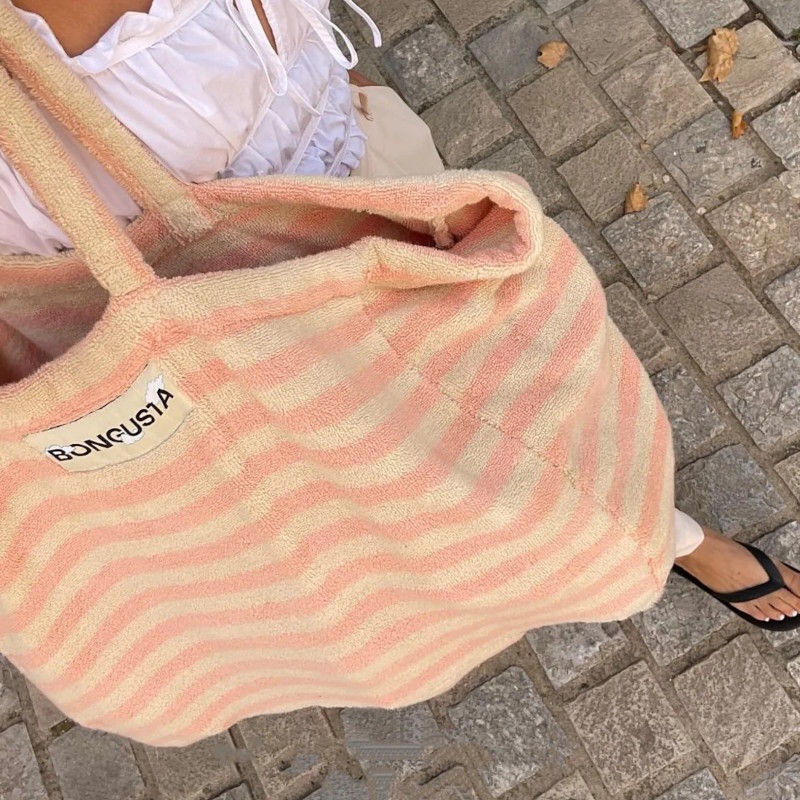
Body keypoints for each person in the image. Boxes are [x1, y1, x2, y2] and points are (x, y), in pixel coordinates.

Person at [1, 0, 799, 630]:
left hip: (383, 186)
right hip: (238, 324)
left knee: (542, 407)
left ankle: (646, 532)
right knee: (454, 472)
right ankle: (667, 542)